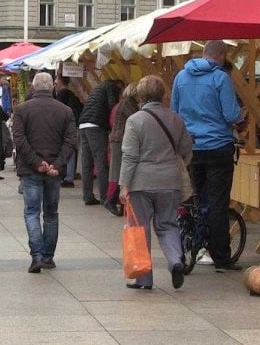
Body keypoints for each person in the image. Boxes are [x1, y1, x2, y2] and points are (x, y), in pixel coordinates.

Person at [171, 40, 244, 272]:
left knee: (194, 199)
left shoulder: (180, 78)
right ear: (221, 55)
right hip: (218, 146)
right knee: (217, 202)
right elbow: (231, 113)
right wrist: (240, 116)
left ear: (203, 53)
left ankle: (191, 242)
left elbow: (174, 112)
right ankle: (220, 256)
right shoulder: (221, 78)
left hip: (191, 147)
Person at [120, 75, 192, 290]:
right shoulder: (176, 119)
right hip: (170, 181)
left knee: (140, 228)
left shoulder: (135, 120)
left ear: (140, 95)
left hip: (141, 182)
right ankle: (175, 260)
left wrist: (124, 185)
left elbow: (130, 156)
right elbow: (186, 150)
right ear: (163, 94)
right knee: (168, 224)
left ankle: (144, 278)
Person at [13, 73, 77, 273]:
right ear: (52, 88)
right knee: (51, 213)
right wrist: (56, 165)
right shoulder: (65, 111)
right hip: (54, 172)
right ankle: (48, 257)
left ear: (33, 87)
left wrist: (36, 162)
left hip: (31, 170)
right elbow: (70, 140)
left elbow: (19, 140)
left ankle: (37, 255)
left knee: (32, 212)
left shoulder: (22, 110)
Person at [79, 79, 124, 206]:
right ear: (119, 86)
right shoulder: (112, 87)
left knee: (86, 163)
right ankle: (105, 197)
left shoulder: (98, 88)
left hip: (83, 124)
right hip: (96, 126)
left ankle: (87, 196)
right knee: (101, 162)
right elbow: (113, 107)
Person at [104, 82, 139, 216]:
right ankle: (111, 199)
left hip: (117, 139)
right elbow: (136, 118)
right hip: (120, 139)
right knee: (117, 171)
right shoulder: (128, 104)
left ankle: (114, 200)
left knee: (117, 170)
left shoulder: (124, 103)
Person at [55, 76, 83, 187]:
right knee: (71, 149)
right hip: (73, 124)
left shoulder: (62, 93)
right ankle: (69, 175)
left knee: (66, 150)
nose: (55, 82)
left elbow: (58, 110)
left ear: (61, 81)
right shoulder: (71, 93)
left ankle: (67, 177)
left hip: (64, 125)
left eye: (56, 80)